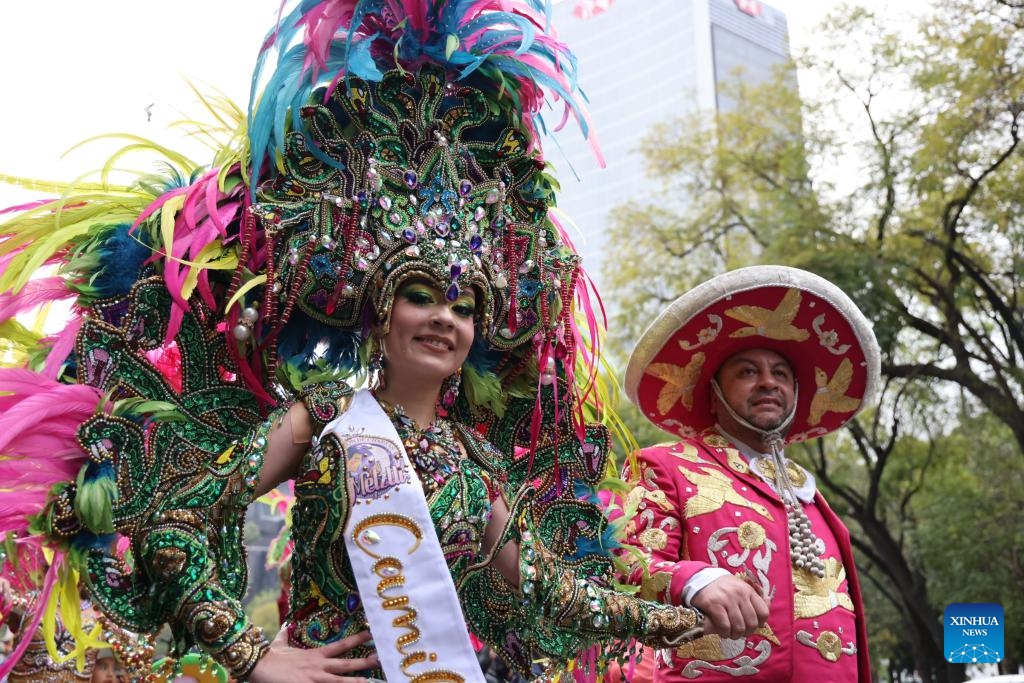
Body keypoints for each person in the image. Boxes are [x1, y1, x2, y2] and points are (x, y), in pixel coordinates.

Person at [0, 2, 706, 682]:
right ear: (380, 315)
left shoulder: (474, 455)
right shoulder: (327, 417)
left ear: (474, 337)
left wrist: (668, 612)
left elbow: (552, 587)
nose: (443, 319)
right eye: (421, 295)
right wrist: (252, 654)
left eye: (463, 307)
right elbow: (176, 515)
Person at [619, 265, 878, 682]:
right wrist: (694, 580)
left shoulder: (811, 497)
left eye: (780, 373)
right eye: (747, 371)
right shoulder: (665, 467)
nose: (768, 383)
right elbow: (624, 563)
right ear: (713, 393)